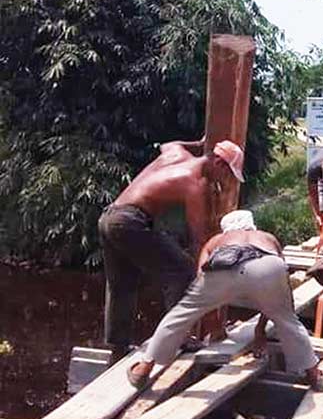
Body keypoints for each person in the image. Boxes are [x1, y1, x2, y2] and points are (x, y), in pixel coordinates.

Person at [126, 210, 323, 391]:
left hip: (223, 266)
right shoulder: (268, 238)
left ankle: (143, 369)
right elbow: (280, 285)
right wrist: (259, 332)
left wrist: (216, 326)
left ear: (226, 230)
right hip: (266, 265)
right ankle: (313, 374)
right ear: (252, 225)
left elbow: (202, 286)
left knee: (180, 314)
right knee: (287, 320)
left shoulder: (216, 241)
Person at [98, 139, 245, 362]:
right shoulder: (194, 183)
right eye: (227, 174)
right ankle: (177, 337)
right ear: (218, 163)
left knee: (121, 285)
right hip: (130, 221)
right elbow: (198, 238)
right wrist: (209, 265)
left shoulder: (176, 154)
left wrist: (198, 143)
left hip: (109, 217)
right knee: (181, 270)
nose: (225, 180)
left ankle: (117, 350)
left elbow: (168, 143)